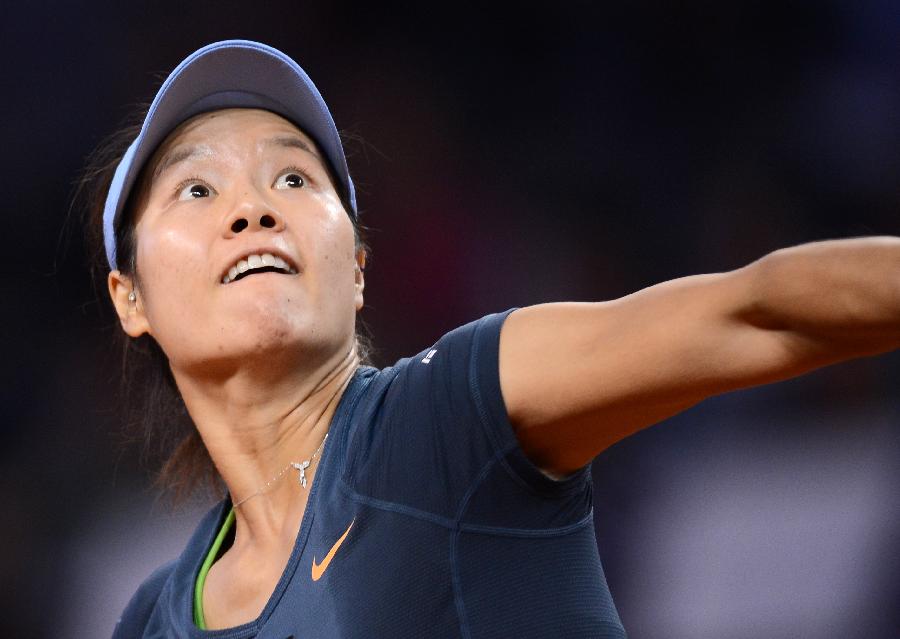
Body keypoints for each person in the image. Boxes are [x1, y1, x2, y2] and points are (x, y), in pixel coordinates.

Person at [81, 40, 899, 638]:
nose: (254, 207)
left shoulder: (452, 412)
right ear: (130, 297)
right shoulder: (153, 619)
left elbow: (756, 309)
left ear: (358, 268)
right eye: (197, 186)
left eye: (294, 177)